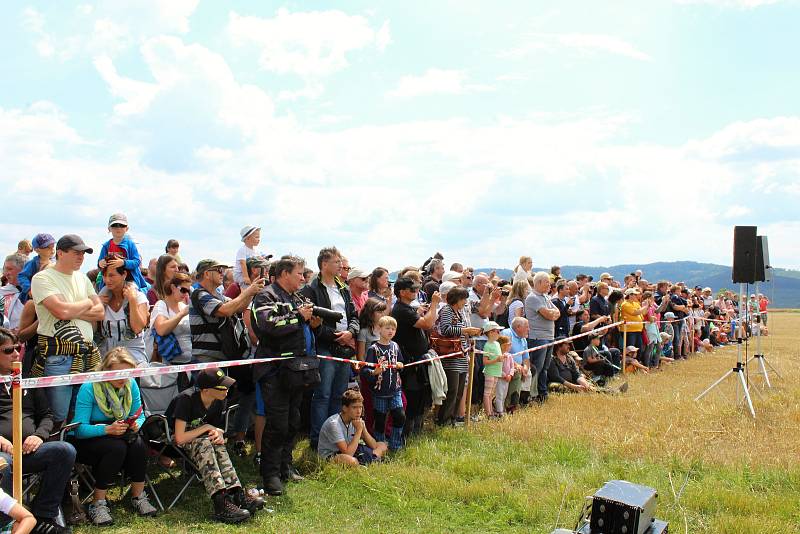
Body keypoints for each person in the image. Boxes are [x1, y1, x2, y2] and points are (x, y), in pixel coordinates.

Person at [251, 255, 320, 496]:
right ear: (284, 274)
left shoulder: (296, 296)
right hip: (274, 371)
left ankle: (285, 466)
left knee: (293, 421)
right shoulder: (266, 295)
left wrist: (313, 322)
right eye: (299, 274)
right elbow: (268, 325)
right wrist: (298, 317)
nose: (303, 278)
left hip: (297, 369)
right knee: (277, 424)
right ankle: (269, 474)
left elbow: (303, 324)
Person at [71, 347, 158, 525]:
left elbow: (140, 415)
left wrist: (136, 425)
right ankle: (98, 503)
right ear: (105, 370)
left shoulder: (130, 383)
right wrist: (106, 430)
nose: (122, 377)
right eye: (117, 372)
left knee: (139, 444)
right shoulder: (89, 387)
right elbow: (79, 429)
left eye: (126, 372)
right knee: (116, 448)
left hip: (120, 433)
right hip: (88, 439)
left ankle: (138, 496)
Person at [0, 328, 75, 534]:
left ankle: (43, 517)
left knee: (65, 451)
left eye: (18, 348)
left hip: (28, 450)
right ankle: (9, 523)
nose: (16, 353)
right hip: (4, 453)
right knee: (2, 463)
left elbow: (47, 415)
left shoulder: (28, 379)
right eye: (8, 351)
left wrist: (38, 435)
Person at [171, 369, 264, 523]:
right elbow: (179, 438)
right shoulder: (186, 399)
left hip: (200, 438)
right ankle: (221, 504)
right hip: (172, 440)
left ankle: (236, 495)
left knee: (216, 443)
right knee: (205, 444)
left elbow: (215, 428)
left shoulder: (219, 400)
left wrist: (219, 433)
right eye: (222, 387)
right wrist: (207, 427)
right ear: (206, 390)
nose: (227, 390)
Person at [30, 234, 104, 426]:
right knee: (58, 417)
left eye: (83, 253)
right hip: (58, 356)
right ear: (60, 253)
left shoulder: (83, 278)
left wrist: (70, 309)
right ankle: (59, 453)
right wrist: (87, 303)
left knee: (81, 415)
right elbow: (61, 311)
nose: (81, 257)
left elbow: (100, 312)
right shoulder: (43, 278)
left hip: (86, 355)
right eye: (76, 252)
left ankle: (76, 454)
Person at [301, 247, 360, 450]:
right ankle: (318, 440)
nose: (340, 266)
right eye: (336, 262)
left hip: (343, 348)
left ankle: (337, 440)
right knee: (323, 394)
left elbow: (354, 316)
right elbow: (312, 323)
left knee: (338, 395)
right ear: (324, 264)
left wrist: (350, 333)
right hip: (325, 347)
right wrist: (336, 337)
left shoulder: (343, 288)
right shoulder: (311, 289)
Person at [189, 259, 264, 363]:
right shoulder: (199, 295)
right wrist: (247, 292)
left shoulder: (219, 296)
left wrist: (252, 291)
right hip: (205, 359)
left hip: (220, 357)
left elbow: (239, 307)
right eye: (219, 270)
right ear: (206, 274)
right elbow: (225, 311)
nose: (222, 274)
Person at [392, 277, 439, 436]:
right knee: (412, 398)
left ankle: (416, 432)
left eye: (417, 289)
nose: (416, 292)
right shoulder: (401, 309)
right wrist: (434, 304)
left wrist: (419, 312)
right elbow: (427, 324)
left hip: (418, 361)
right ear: (402, 292)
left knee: (421, 397)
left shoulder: (407, 308)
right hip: (410, 363)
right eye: (412, 289)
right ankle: (407, 434)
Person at [433, 287, 478, 426]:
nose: (465, 302)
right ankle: (443, 420)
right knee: (452, 390)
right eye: (463, 299)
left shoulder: (458, 312)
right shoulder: (447, 310)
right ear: (456, 299)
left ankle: (452, 419)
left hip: (461, 355)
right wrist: (465, 330)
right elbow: (445, 329)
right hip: (451, 357)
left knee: (458, 391)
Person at [96, 254, 150, 366]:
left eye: (112, 275)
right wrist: (96, 305)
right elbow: (94, 330)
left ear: (124, 274)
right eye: (104, 275)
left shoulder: (138, 297)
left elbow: (137, 328)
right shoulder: (102, 298)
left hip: (133, 358)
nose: (107, 280)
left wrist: (133, 301)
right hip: (107, 358)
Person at [361, 316, 405, 450]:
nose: (390, 331)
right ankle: (379, 445)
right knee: (379, 419)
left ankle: (395, 444)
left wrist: (399, 365)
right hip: (379, 391)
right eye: (387, 328)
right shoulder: (373, 349)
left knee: (399, 416)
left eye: (393, 329)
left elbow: (402, 363)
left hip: (395, 390)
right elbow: (365, 370)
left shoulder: (395, 346)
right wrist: (375, 371)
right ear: (379, 329)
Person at [317, 389, 387, 466]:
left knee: (382, 445)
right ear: (345, 408)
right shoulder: (334, 424)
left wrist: (363, 429)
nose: (359, 411)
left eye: (360, 407)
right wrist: (358, 431)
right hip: (333, 455)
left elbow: (373, 445)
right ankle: (371, 459)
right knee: (351, 461)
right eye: (354, 407)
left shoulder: (356, 420)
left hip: (352, 449)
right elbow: (348, 453)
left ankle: (367, 461)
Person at [524, 272, 560, 403]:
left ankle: (542, 393)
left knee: (544, 368)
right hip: (538, 337)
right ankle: (532, 394)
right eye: (546, 282)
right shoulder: (533, 298)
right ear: (538, 282)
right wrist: (551, 313)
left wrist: (552, 313)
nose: (549, 285)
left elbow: (558, 312)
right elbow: (548, 315)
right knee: (537, 368)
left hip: (549, 336)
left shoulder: (545, 297)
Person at [356, 298, 389, 434]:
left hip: (385, 373)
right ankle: (368, 433)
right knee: (369, 406)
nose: (382, 314)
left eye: (383, 311)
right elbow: (361, 356)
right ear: (370, 313)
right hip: (370, 374)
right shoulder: (364, 331)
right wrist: (368, 372)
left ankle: (385, 432)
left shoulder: (385, 329)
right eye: (378, 311)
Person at [97, 213, 149, 291]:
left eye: (122, 225)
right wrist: (100, 263)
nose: (118, 228)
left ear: (126, 228)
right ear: (109, 229)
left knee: (132, 293)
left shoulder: (130, 244)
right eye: (115, 225)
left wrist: (123, 263)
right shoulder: (106, 246)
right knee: (102, 295)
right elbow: (99, 263)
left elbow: (137, 261)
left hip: (129, 279)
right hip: (111, 281)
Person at [150, 273, 193, 365]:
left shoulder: (183, 306)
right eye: (183, 290)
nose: (186, 294)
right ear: (173, 287)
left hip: (188, 363)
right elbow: (161, 330)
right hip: (168, 363)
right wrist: (181, 314)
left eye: (188, 291)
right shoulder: (161, 304)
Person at [499, 317, 530, 413]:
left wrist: (525, 368)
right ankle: (511, 404)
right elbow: (503, 352)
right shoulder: (507, 334)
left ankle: (525, 400)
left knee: (531, 372)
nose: (529, 329)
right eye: (527, 327)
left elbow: (526, 358)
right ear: (518, 327)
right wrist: (517, 365)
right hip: (504, 364)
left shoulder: (523, 339)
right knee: (517, 373)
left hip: (518, 365)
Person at [17, 234, 55, 304]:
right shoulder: (33, 264)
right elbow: (22, 276)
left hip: (50, 294)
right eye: (48, 248)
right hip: (35, 297)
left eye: (53, 247)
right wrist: (29, 289)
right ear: (37, 250)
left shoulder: (55, 263)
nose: (52, 250)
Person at [481, 322, 505, 418]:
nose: (499, 333)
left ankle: (491, 412)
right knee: (487, 393)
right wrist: (497, 360)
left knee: (491, 393)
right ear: (490, 333)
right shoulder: (487, 345)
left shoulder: (497, 344)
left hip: (496, 372)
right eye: (497, 331)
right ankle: (489, 414)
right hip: (490, 372)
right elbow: (485, 362)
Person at [1, 255, 26, 330]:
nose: (6, 273)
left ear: (23, 270)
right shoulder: (2, 292)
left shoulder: (33, 292)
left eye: (10, 269)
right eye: (5, 269)